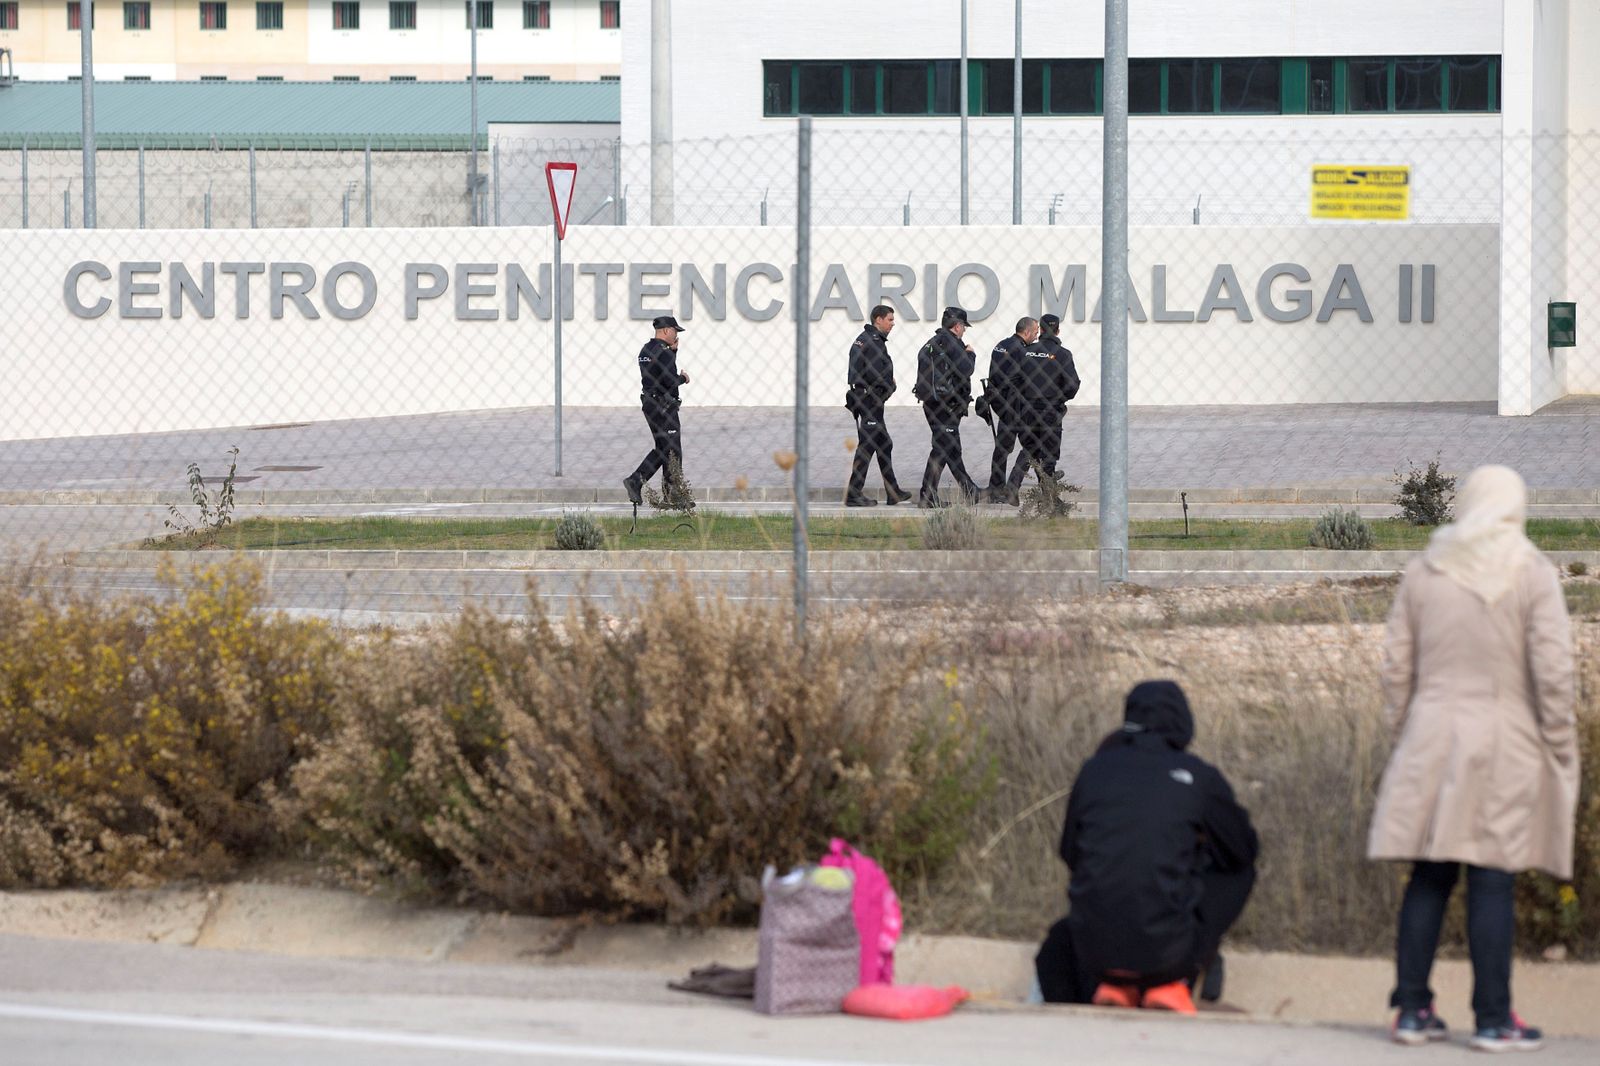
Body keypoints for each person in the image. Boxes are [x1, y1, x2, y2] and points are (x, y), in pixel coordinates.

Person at [1368, 465, 1578, 1052]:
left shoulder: (1426, 569)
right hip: (1504, 737)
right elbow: (1554, 672)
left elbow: (1396, 669)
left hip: (1430, 734)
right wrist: (1559, 742)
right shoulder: (1531, 571)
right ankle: (1493, 1019)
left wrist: (1401, 733)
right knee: (1492, 877)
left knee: (1429, 875)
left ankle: (1410, 1010)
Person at [1036, 681, 1258, 1014]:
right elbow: (1243, 850)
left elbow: (1070, 853)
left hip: (1093, 953)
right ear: (1184, 723)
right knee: (1240, 871)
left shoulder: (1093, 771)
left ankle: (1115, 987)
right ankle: (1172, 984)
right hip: (1169, 956)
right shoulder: (1198, 777)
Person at [1003, 314, 1080, 500]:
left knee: (1029, 449)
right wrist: (1057, 398)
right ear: (1058, 331)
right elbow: (1072, 385)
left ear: (1042, 331)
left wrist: (1026, 395)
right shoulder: (1063, 355)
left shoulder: (1026, 352)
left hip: (1027, 410)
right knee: (1049, 455)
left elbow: (1013, 379)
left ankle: (1012, 488)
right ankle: (1049, 498)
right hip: (1050, 411)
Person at [844, 305, 913, 507]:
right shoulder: (873, 342)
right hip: (870, 401)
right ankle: (853, 494)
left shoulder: (866, 339)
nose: (893, 323)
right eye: (890, 319)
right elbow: (876, 375)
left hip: (867, 399)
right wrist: (890, 385)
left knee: (884, 444)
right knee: (866, 447)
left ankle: (893, 492)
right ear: (878, 320)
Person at [912, 307, 980, 508]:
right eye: (964, 327)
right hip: (946, 405)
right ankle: (928, 496)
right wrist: (971, 354)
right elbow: (966, 370)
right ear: (957, 326)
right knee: (942, 448)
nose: (964, 331)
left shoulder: (932, 342)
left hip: (931, 402)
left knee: (949, 447)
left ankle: (969, 490)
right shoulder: (954, 343)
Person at [623, 316, 691, 506]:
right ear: (666, 331)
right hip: (664, 408)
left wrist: (673, 352)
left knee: (663, 450)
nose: (676, 335)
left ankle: (637, 482)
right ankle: (671, 495)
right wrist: (683, 378)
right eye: (675, 331)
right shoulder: (665, 353)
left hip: (650, 405)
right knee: (673, 450)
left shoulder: (646, 349)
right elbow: (669, 381)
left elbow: (657, 374)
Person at [980, 317, 1037, 505]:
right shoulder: (1023, 352)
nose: (1036, 336)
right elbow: (1025, 379)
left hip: (1000, 404)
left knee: (1002, 448)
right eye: (1035, 332)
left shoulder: (1001, 345)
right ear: (1026, 332)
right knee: (1031, 445)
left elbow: (993, 374)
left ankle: (995, 487)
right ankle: (1011, 487)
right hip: (1017, 405)